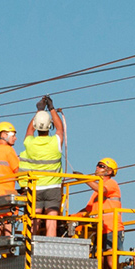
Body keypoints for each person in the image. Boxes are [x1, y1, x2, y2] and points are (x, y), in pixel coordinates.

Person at [18, 97, 65, 236]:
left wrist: (39, 111)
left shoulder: (30, 143)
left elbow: (29, 131)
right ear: (49, 126)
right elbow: (60, 128)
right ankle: (50, 244)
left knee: (35, 216)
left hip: (34, 187)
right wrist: (51, 109)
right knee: (51, 218)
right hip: (53, 188)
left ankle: (30, 242)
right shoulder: (55, 143)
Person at [76, 157, 122, 244]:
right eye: (98, 165)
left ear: (109, 172)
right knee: (99, 256)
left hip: (111, 227)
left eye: (101, 166)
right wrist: (72, 217)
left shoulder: (111, 183)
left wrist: (85, 178)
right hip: (99, 228)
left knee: (110, 255)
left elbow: (102, 189)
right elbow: (88, 210)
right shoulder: (95, 193)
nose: (97, 167)